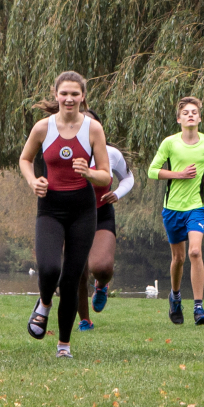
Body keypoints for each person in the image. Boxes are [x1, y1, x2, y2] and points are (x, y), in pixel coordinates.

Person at [19, 71, 111, 359]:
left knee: (72, 280)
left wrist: (89, 172)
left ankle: (64, 345)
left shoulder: (93, 129)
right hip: (50, 208)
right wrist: (33, 181)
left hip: (83, 210)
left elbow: (106, 176)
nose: (69, 98)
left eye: (75, 94)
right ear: (56, 94)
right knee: (49, 269)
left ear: (83, 96)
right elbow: (24, 159)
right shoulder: (42, 128)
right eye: (64, 93)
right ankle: (44, 303)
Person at [146, 96, 204, 326]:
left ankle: (198, 307)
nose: (190, 115)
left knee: (195, 252)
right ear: (179, 119)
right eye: (186, 112)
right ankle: (175, 297)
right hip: (172, 208)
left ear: (200, 118)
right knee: (179, 258)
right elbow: (152, 171)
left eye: (194, 112)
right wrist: (179, 174)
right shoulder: (170, 143)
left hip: (197, 206)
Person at [74, 109, 134, 331]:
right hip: (73, 216)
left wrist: (117, 193)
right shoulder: (66, 150)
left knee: (101, 267)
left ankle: (101, 285)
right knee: (79, 269)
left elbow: (128, 178)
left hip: (101, 213)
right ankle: (84, 320)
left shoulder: (111, 154)